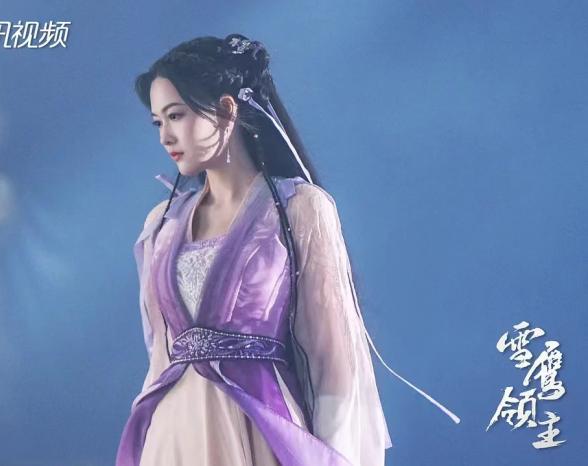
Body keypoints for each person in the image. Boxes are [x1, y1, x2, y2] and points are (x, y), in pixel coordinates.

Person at [116, 34, 459, 466]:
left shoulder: (299, 209)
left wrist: (336, 456)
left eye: (176, 115)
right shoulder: (162, 225)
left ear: (226, 110)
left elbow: (331, 362)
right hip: (173, 437)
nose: (165, 135)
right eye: (157, 122)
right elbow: (161, 359)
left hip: (260, 430)